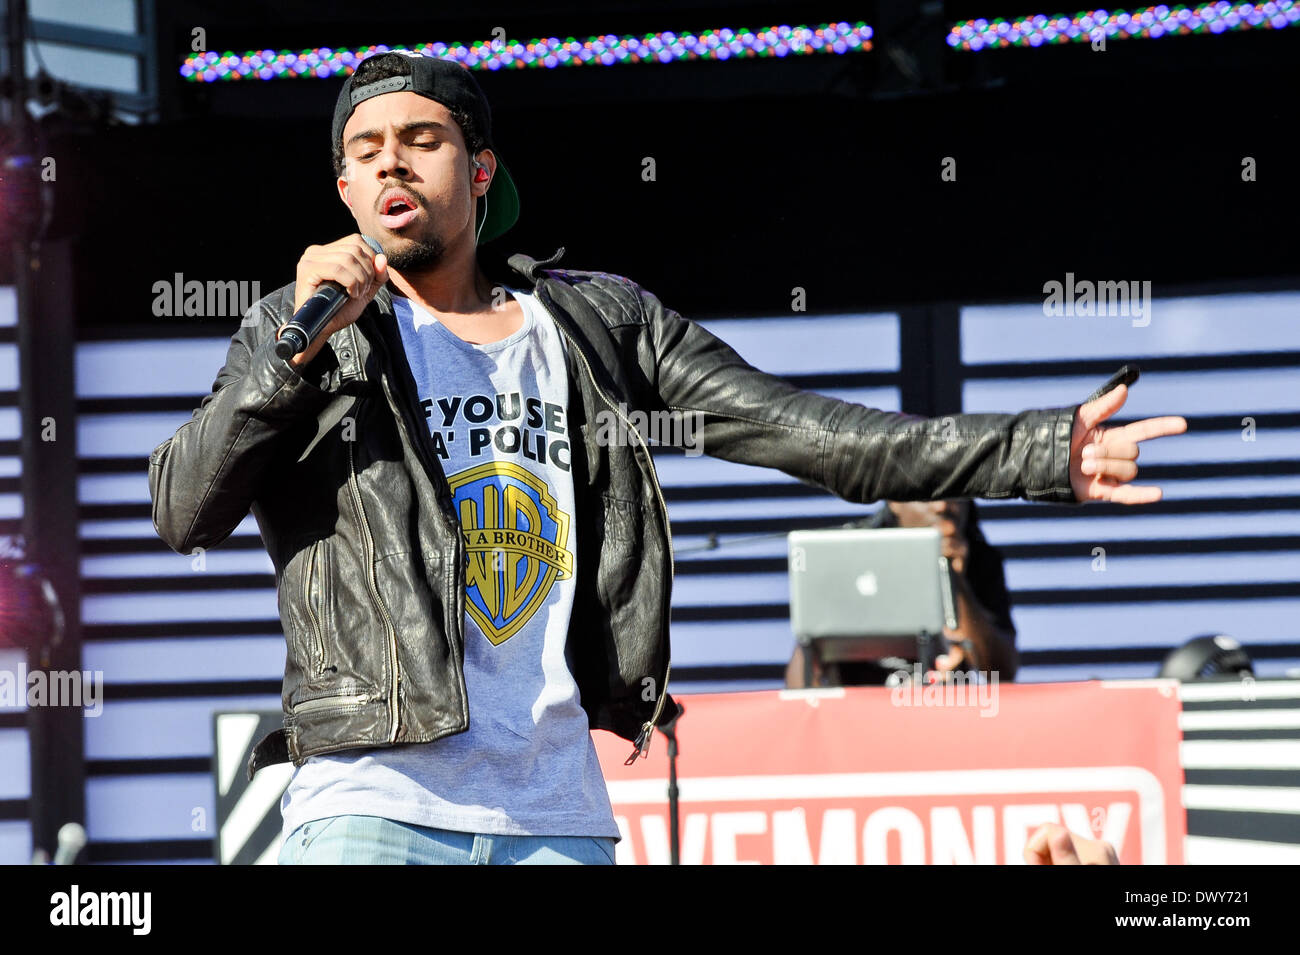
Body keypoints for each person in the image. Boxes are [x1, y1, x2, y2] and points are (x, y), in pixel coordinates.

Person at [146, 51, 1187, 865]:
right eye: (365, 148)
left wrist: (1037, 450)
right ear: (342, 188)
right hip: (372, 806)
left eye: (420, 138)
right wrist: (291, 350)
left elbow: (809, 433)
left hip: (555, 811)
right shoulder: (304, 335)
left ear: (480, 169)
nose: (390, 161)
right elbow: (183, 509)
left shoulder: (597, 325)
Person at [784, 498, 1019, 688]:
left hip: (942, 719)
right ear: (894, 501)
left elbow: (1002, 672)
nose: (942, 506)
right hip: (863, 721)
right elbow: (800, 681)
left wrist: (955, 578)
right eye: (927, 494)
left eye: (955, 493)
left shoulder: (980, 561)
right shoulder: (853, 554)